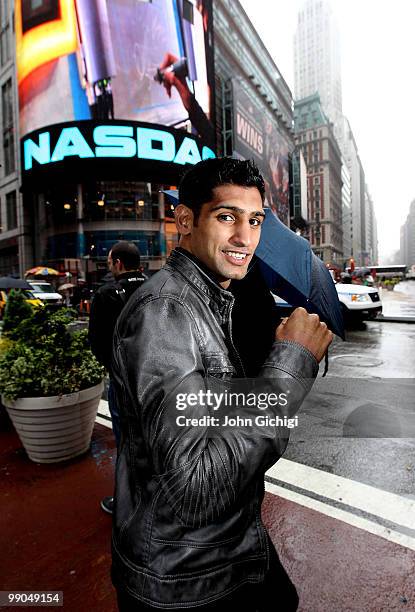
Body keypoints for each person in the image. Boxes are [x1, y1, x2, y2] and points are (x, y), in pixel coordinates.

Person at [111, 158, 333, 610]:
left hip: (227, 550)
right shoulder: (166, 311)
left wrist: (272, 357)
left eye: (254, 221)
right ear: (186, 220)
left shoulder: (211, 297)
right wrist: (291, 363)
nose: (244, 238)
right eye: (227, 216)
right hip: (188, 577)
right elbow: (196, 487)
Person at [88, 241, 146, 514]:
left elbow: (97, 343)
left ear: (118, 263)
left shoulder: (106, 294)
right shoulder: (156, 286)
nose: (110, 267)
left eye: (110, 262)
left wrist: (114, 369)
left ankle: (128, 502)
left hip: (124, 382)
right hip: (158, 380)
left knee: (126, 442)